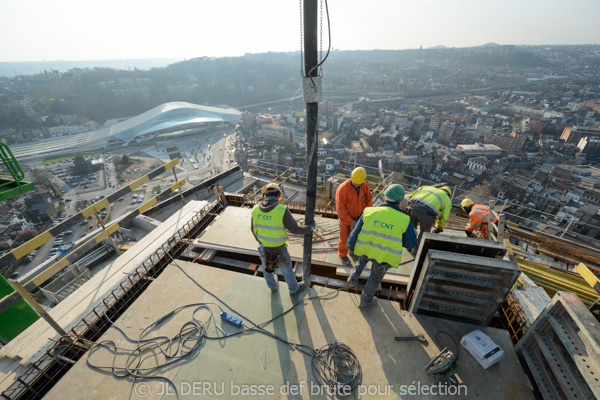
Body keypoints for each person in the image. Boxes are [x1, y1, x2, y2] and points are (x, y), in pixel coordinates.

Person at [347, 184, 417, 308]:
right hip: (383, 256)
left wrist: (351, 246)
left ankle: (352, 278)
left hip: (367, 248)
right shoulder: (404, 220)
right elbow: (410, 244)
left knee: (362, 259)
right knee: (374, 279)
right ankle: (365, 302)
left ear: (384, 197)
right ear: (400, 202)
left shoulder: (369, 211)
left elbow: (355, 233)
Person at [251, 183, 314, 294]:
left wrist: (262, 241)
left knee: (267, 268)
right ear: (278, 195)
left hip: (264, 248)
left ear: (265, 195)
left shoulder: (256, 210)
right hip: (279, 249)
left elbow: (253, 229)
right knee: (287, 270)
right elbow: (295, 229)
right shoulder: (281, 210)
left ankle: (272, 287)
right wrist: (309, 228)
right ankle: (294, 289)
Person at [335, 167, 373, 266]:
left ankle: (354, 253)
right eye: (354, 182)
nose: (356, 184)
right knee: (344, 238)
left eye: (358, 183)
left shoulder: (364, 186)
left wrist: (365, 216)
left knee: (358, 237)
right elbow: (340, 210)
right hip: (346, 219)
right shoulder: (342, 189)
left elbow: (369, 201)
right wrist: (351, 222)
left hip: (360, 217)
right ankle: (342, 255)